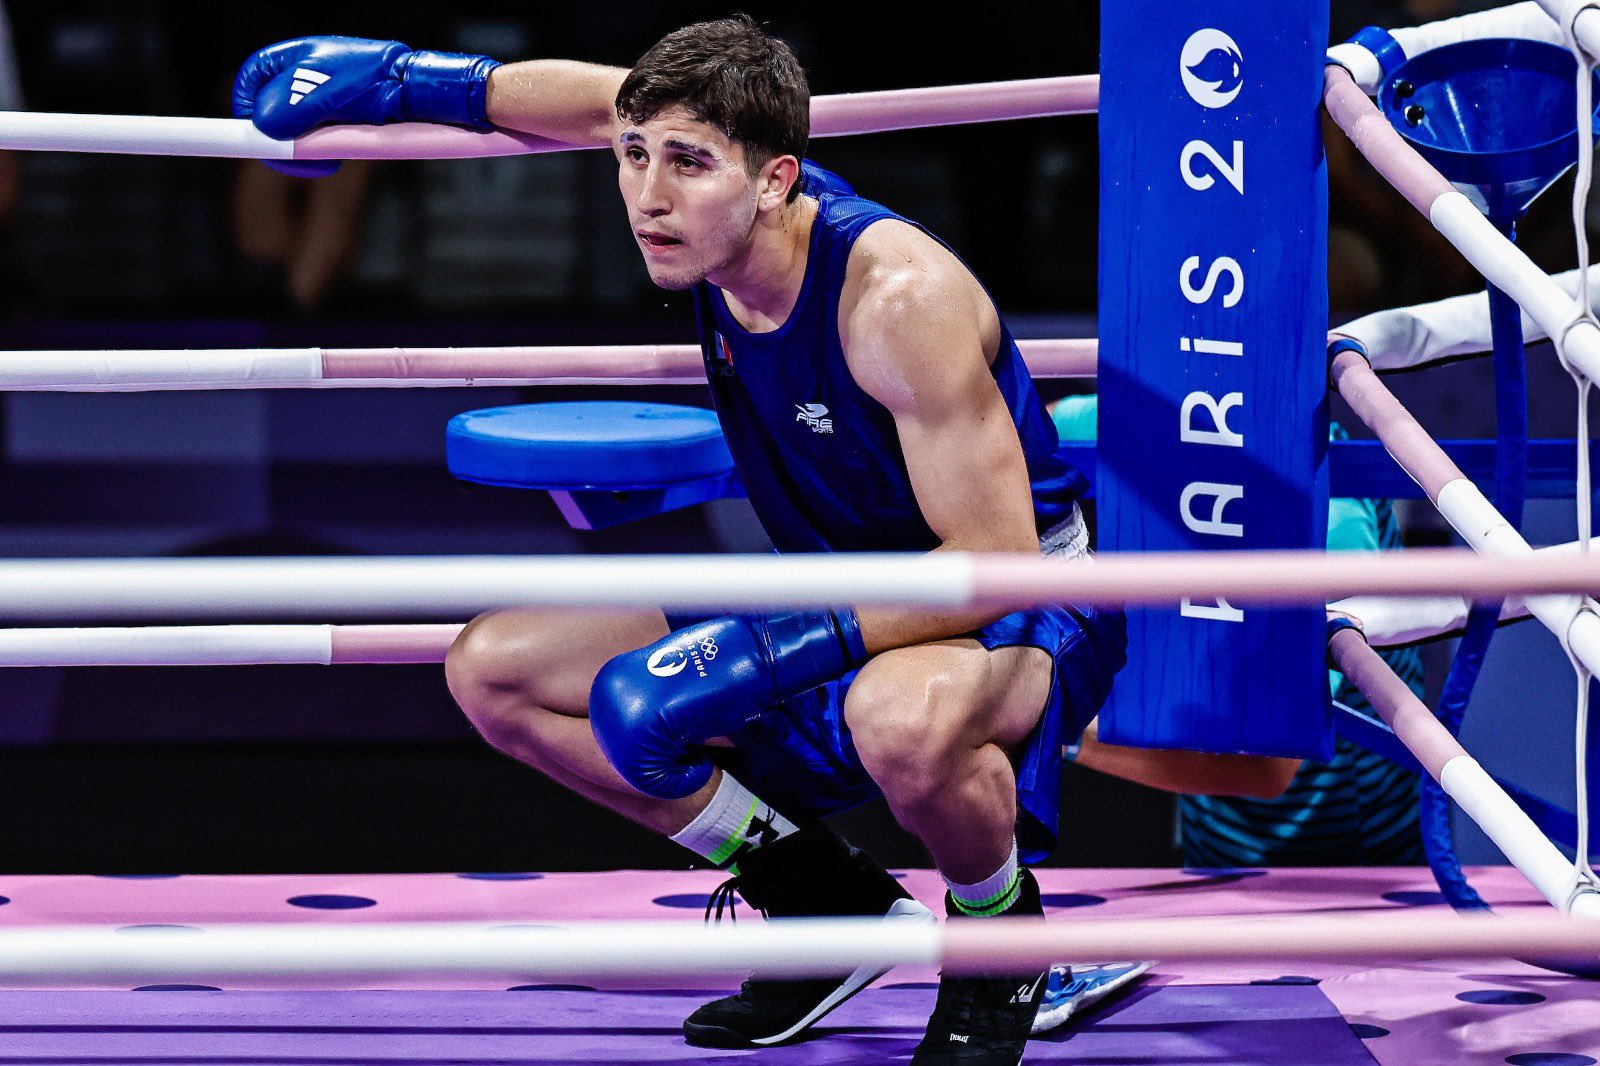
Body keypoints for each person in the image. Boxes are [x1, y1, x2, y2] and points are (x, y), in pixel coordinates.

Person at [231, 20, 1278, 1062]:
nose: (648, 194)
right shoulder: (700, 172)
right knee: (498, 670)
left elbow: (991, 561)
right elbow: (566, 98)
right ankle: (823, 904)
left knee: (897, 719)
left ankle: (1001, 945)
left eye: (684, 165)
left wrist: (767, 651)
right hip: (843, 588)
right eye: (632, 157)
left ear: (777, 178)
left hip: (1024, 596)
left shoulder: (895, 300)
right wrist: (408, 82)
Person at [1051, 396, 1426, 866]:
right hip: (1208, 825)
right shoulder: (1157, 412)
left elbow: (1267, 768)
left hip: (1343, 847)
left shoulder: (1331, 518)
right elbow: (1010, 428)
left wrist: (1052, 726)